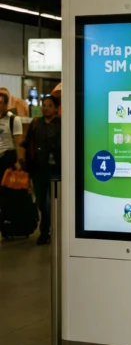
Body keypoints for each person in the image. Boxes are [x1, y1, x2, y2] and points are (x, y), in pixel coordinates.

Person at [22, 96, 60, 245]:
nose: (46, 108)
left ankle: (46, 232)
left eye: (49, 105)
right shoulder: (36, 123)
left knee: (50, 203)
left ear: (55, 108)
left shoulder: (61, 123)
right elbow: (25, 143)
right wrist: (21, 161)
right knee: (41, 203)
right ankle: (46, 230)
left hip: (56, 169)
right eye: (44, 105)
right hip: (39, 169)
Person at [0, 89, 25, 172]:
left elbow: (19, 143)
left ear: (6, 105)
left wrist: (19, 161)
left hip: (8, 158)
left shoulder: (14, 119)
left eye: (0, 102)